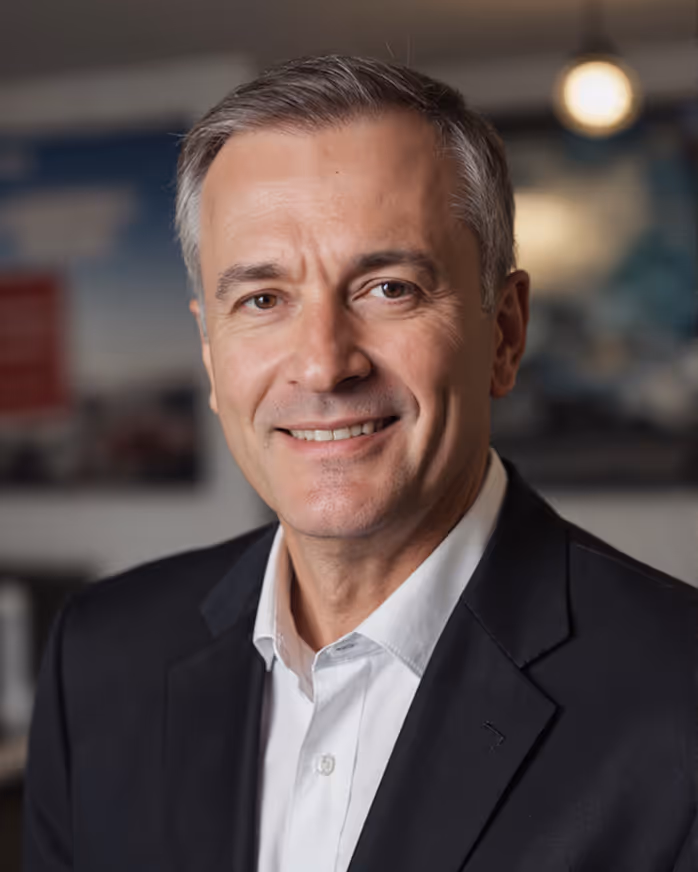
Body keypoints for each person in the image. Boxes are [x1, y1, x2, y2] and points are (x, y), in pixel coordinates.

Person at [23, 55, 697, 871]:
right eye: (263, 300)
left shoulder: (677, 695)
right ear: (210, 351)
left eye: (388, 288)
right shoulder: (99, 659)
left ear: (506, 332)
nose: (324, 363)